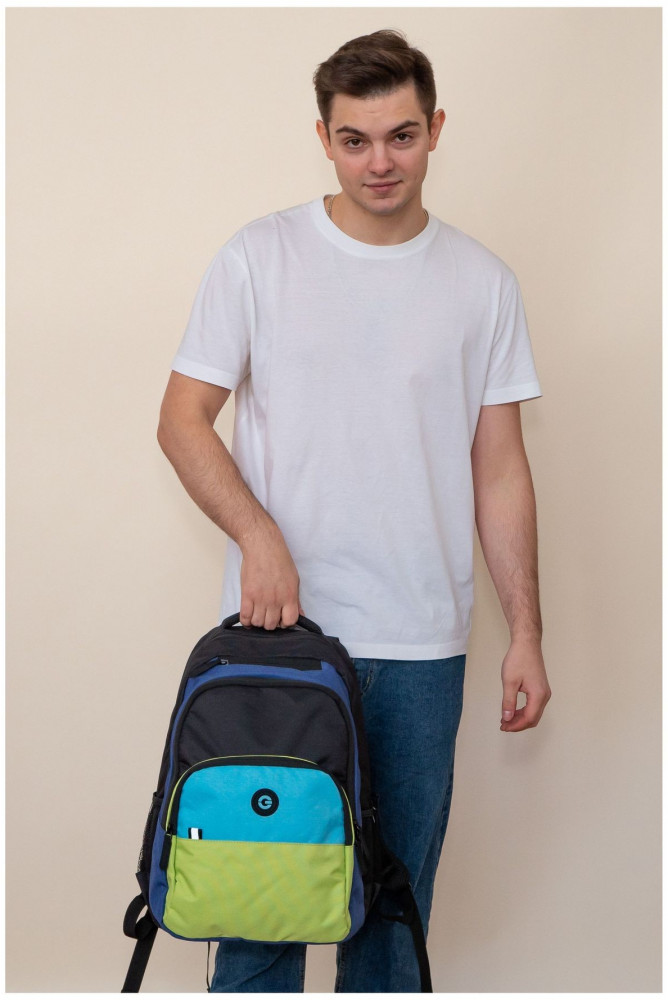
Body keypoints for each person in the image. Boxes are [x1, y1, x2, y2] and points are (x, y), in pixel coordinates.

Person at [157, 27, 552, 993]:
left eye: (402, 136)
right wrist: (259, 535)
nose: (380, 162)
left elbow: (500, 470)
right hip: (279, 639)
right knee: (262, 912)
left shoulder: (483, 283)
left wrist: (527, 633)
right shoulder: (260, 257)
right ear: (324, 139)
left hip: (422, 646)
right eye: (356, 140)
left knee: (394, 916)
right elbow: (181, 421)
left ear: (436, 129)